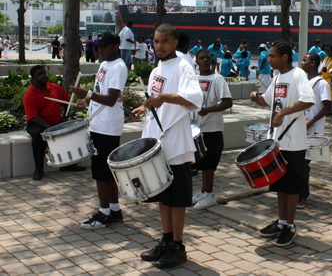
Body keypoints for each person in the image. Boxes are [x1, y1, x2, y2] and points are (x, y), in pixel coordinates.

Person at [131, 23, 203, 269]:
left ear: (174, 42)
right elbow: (155, 98)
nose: (159, 45)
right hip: (157, 141)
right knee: (163, 195)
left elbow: (195, 98)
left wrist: (163, 98)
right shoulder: (156, 70)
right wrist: (146, 106)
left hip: (176, 142)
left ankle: (178, 246)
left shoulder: (183, 65)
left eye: (164, 41)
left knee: (177, 198)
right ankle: (166, 240)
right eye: (155, 41)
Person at [250, 40, 315, 247]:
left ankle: (290, 226)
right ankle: (281, 221)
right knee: (280, 185)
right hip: (278, 142)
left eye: (272, 56)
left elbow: (308, 99)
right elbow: (268, 101)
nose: (268, 59)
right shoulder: (277, 78)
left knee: (292, 187)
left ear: (284, 57)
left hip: (294, 142)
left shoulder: (298, 75)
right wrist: (256, 97)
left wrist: (284, 113)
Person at [71, 32, 128, 229]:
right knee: (106, 171)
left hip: (108, 126)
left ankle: (104, 214)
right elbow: (99, 91)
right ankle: (114, 209)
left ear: (116, 46)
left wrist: (87, 93)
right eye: (98, 46)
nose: (99, 49)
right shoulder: (104, 64)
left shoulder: (119, 67)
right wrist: (85, 101)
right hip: (98, 122)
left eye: (104, 46)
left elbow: (111, 99)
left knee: (102, 172)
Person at [23, 66, 86, 180]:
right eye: (39, 74)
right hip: (38, 124)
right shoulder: (30, 94)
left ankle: (68, 164)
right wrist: (50, 129)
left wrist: (65, 117)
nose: (43, 76)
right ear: (33, 78)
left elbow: (68, 102)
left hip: (55, 121)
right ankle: (38, 169)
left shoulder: (55, 88)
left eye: (44, 73)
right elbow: (34, 117)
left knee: (70, 130)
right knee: (38, 135)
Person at [192, 49, 232, 210]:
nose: (205, 60)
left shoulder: (218, 78)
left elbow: (228, 102)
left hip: (212, 128)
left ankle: (209, 195)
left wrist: (208, 110)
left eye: (208, 58)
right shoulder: (193, 79)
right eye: (202, 58)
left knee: (209, 163)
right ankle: (203, 192)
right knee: (201, 162)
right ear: (196, 62)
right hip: (196, 128)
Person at [300, 53, 331, 208]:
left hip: (312, 130)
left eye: (305, 60)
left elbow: (327, 107)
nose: (301, 62)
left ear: (313, 63)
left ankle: (302, 195)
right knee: (299, 162)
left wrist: (311, 121)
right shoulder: (304, 82)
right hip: (301, 129)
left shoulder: (321, 84)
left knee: (303, 163)